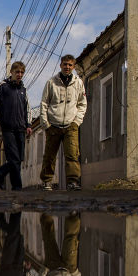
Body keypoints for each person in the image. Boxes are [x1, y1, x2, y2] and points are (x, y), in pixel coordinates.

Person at [39, 54, 87, 191]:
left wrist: (77, 121)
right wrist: (45, 124)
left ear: (73, 67)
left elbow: (82, 104)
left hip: (71, 125)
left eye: (70, 65)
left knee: (72, 154)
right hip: (53, 125)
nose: (67, 67)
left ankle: (72, 182)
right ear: (60, 65)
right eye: (65, 64)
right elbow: (43, 104)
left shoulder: (78, 83)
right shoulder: (51, 82)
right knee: (49, 155)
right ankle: (47, 181)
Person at [0, 61, 32, 191]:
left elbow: (27, 109)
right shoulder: (3, 86)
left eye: (22, 72)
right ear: (11, 72)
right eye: (17, 72)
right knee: (14, 158)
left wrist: (28, 125)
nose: (19, 75)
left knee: (19, 159)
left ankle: (1, 172)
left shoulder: (23, 90)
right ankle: (17, 187)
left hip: (21, 128)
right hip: (7, 128)